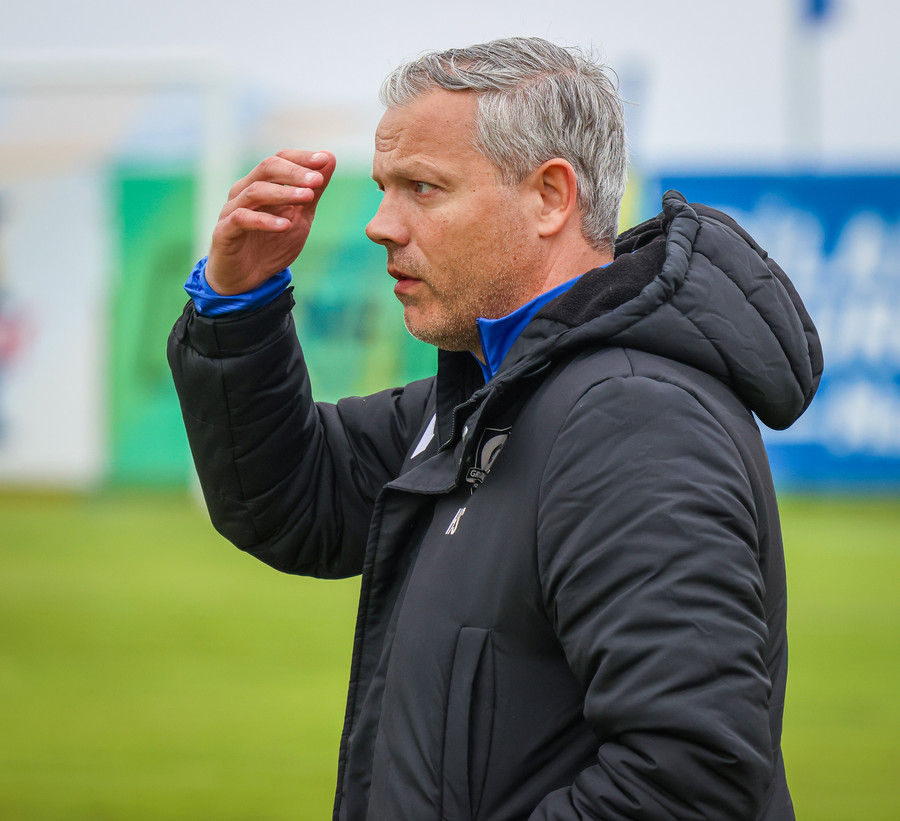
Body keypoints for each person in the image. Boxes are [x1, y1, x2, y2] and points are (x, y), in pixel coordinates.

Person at [168, 37, 822, 820]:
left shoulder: (631, 419)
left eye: (422, 187)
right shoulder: (488, 396)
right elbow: (292, 498)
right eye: (383, 188)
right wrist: (238, 300)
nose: (380, 225)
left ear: (550, 196)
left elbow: (690, 778)